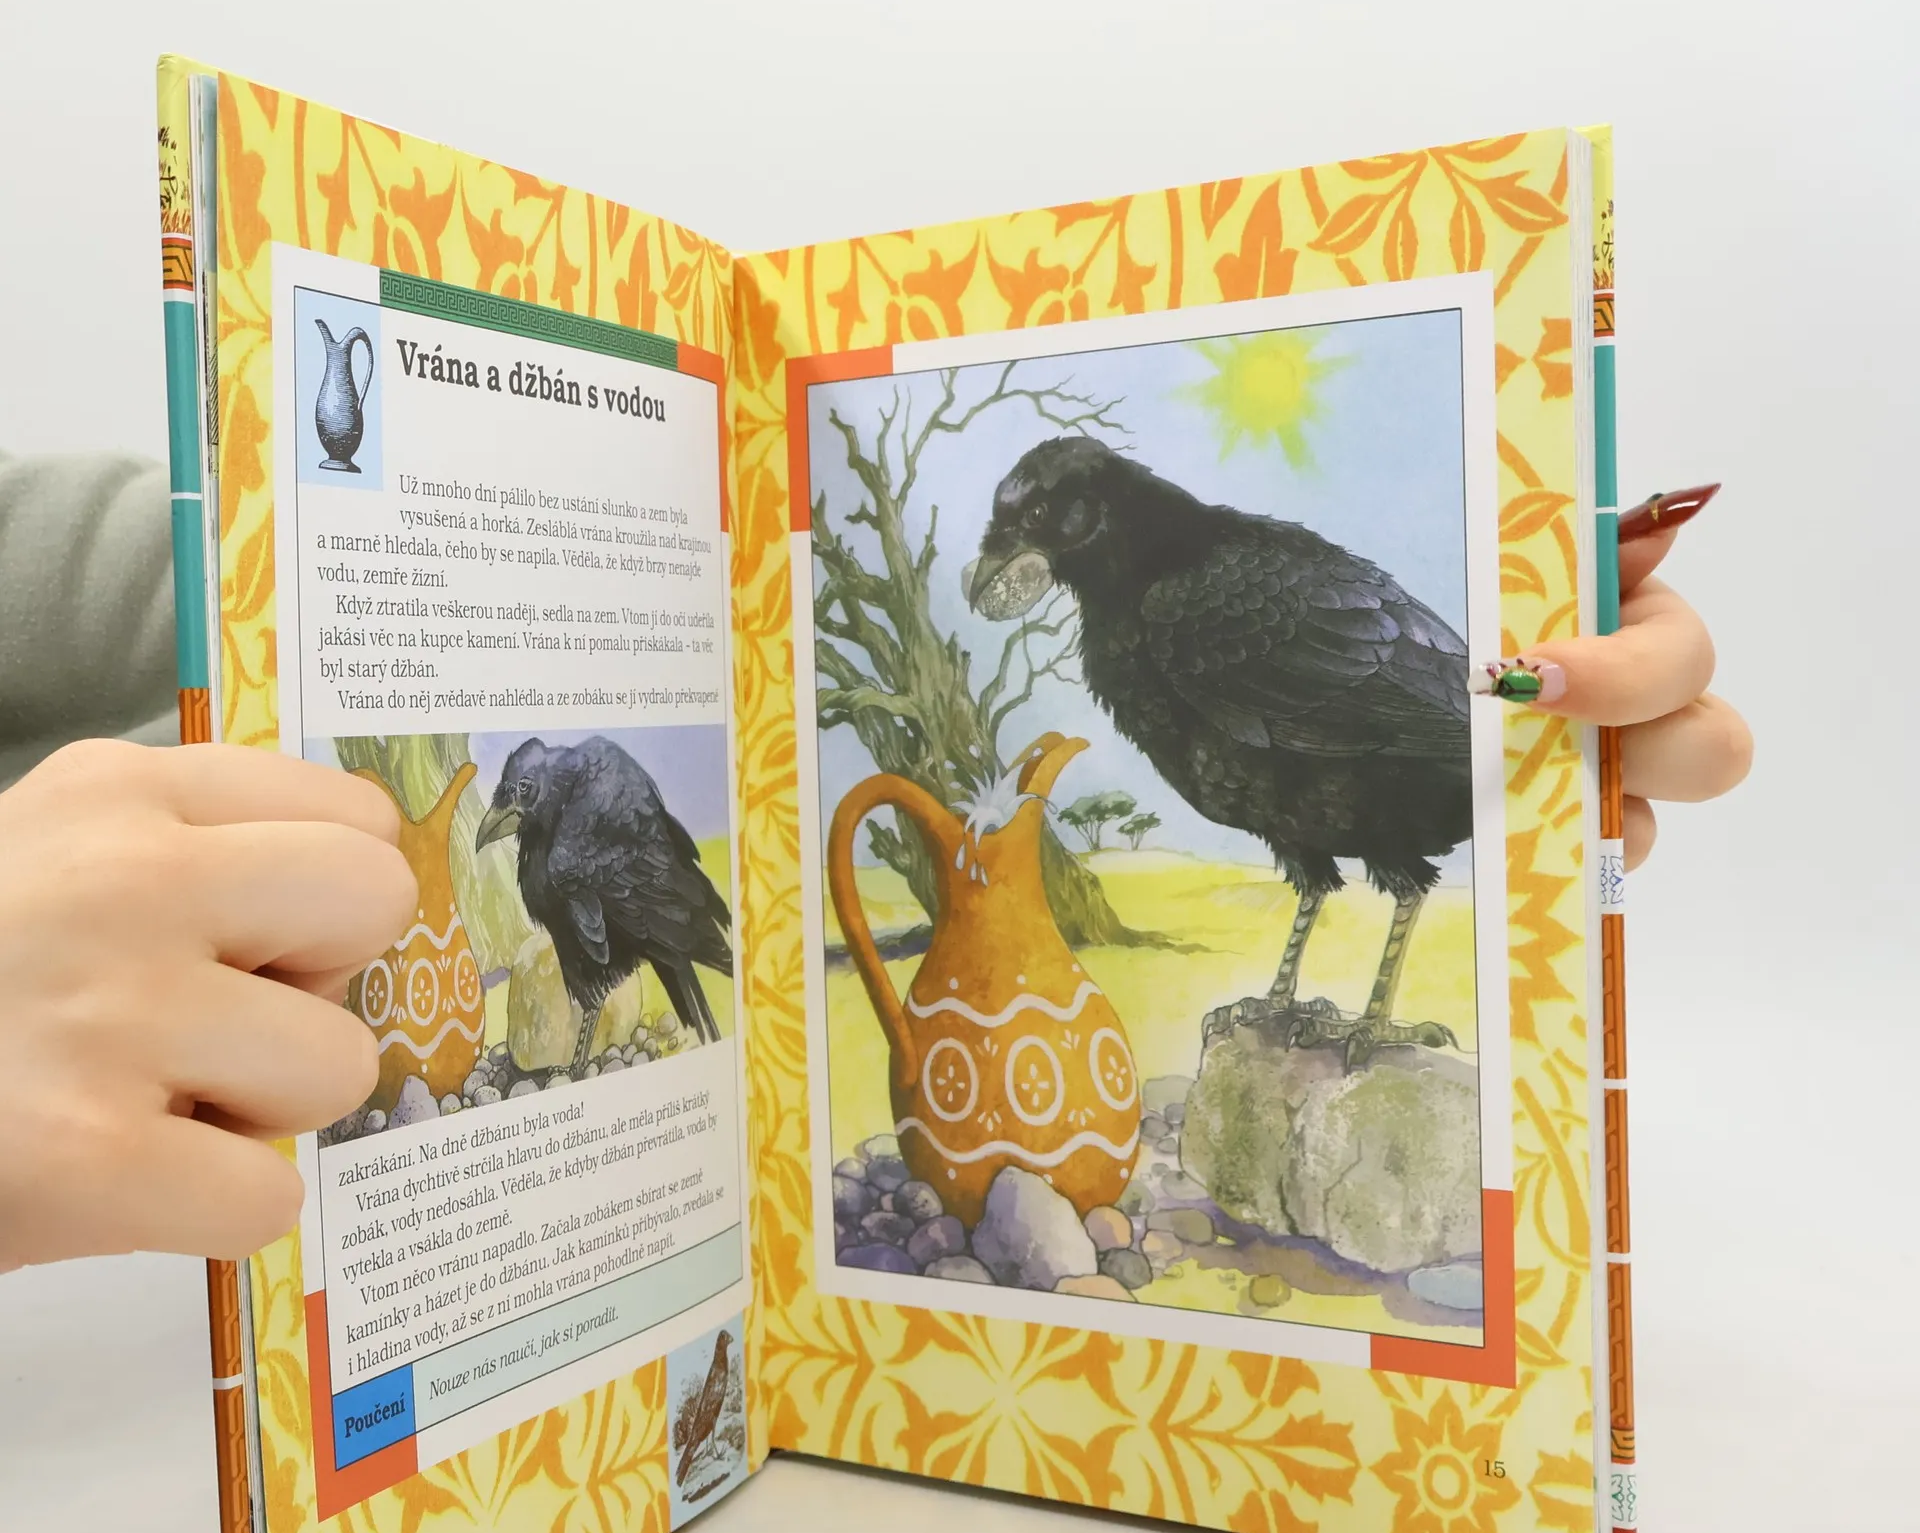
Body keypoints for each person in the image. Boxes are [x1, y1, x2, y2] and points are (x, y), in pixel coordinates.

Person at [0, 453, 1751, 1274]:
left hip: (1407, 748)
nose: (1018, 557)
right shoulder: (1156, 616)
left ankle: (1342, 1010)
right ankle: (1317, 995)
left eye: (1041, 526)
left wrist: (1532, 604)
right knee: (1316, 862)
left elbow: (116, 574)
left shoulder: (1214, 596)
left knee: (1379, 858)